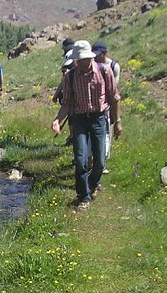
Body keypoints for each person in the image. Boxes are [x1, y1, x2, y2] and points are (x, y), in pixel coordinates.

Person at [51, 40, 122, 211]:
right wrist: (58, 121)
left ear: (90, 57)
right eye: (78, 60)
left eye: (83, 59)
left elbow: (114, 97)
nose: (81, 63)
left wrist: (117, 121)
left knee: (100, 161)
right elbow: (66, 103)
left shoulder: (104, 71)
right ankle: (83, 196)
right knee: (81, 159)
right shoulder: (70, 76)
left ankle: (92, 183)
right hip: (80, 120)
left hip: (99, 118)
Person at [93, 40, 121, 173]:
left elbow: (113, 89)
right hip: (96, 106)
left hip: (108, 105)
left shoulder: (114, 67)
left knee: (106, 133)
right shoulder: (93, 66)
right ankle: (95, 161)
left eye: (98, 55)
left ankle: (102, 162)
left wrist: (117, 118)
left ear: (104, 53)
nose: (95, 57)